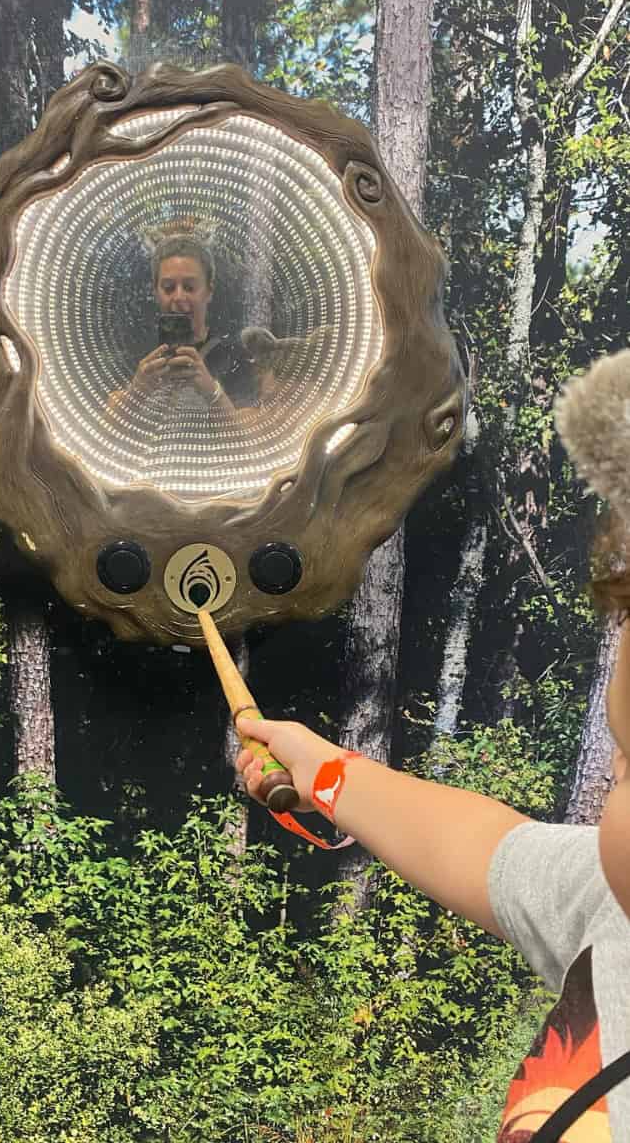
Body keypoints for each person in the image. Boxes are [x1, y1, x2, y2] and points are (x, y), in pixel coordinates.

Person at [236, 349, 630, 1142]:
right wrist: (326, 772)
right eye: (623, 756)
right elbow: (486, 847)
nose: (613, 794)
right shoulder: (612, 909)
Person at [113, 232, 257, 413]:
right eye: (168, 288)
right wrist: (135, 395)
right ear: (156, 292)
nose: (179, 297)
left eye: (189, 287)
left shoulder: (232, 357)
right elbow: (102, 430)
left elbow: (251, 433)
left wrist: (211, 391)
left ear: (209, 291)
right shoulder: (140, 352)